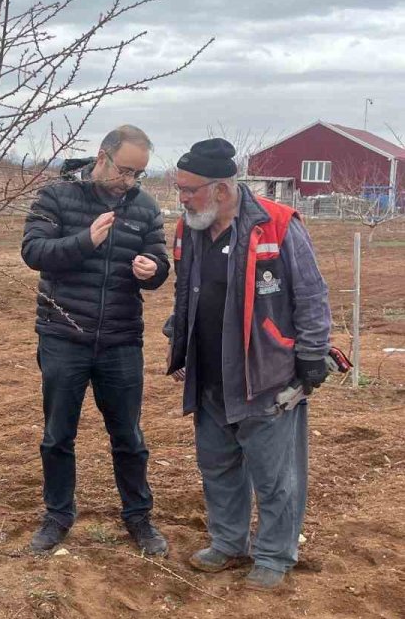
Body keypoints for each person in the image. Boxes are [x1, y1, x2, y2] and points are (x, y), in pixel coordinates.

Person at [166, 138, 332, 591]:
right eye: (179, 188)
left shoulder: (277, 225)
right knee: (217, 465)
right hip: (210, 373)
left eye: (188, 189)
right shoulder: (190, 229)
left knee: (274, 474)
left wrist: (313, 354)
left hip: (264, 373)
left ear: (220, 190)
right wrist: (178, 329)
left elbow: (311, 293)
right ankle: (227, 543)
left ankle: (276, 555)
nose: (181, 198)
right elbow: (190, 289)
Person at [21, 125, 171, 555]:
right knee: (58, 434)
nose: (130, 182)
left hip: (121, 338)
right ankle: (58, 515)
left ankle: (139, 517)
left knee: (128, 435)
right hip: (63, 335)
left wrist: (153, 269)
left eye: (138, 174)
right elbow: (34, 252)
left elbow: (160, 261)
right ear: (102, 157)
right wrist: (86, 240)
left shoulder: (143, 207)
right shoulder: (56, 196)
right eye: (125, 171)